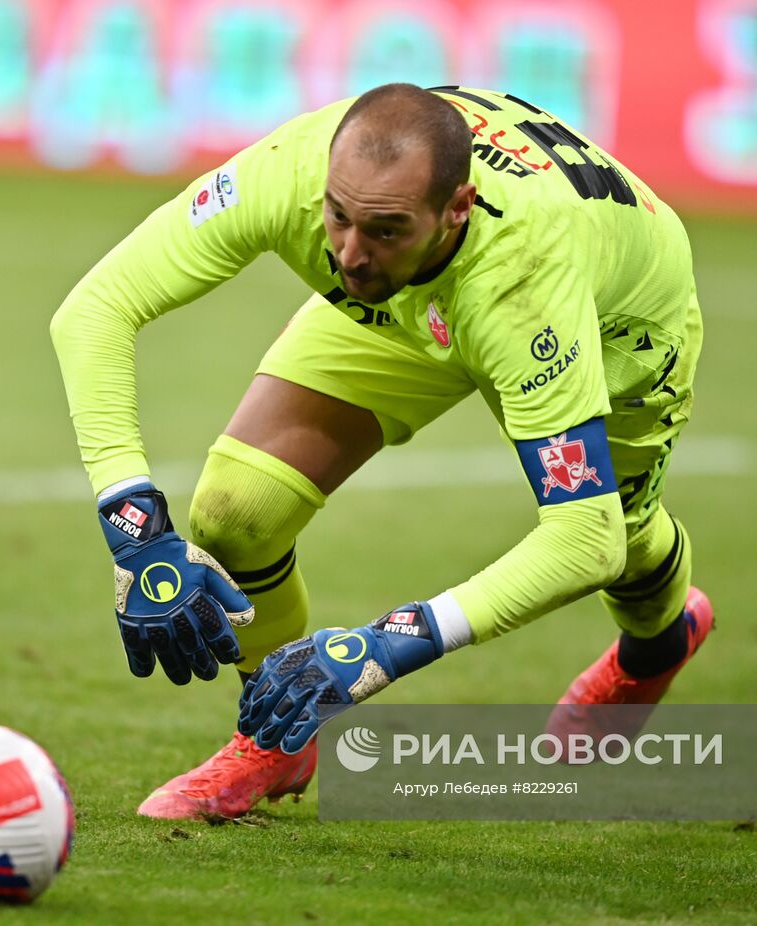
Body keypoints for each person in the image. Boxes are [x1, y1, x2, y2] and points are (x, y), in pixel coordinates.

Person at [51, 83, 712, 820]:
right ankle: (275, 741)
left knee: (622, 532)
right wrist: (131, 524)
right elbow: (95, 308)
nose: (350, 255)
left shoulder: (523, 279)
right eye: (338, 219)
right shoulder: (296, 171)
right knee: (235, 511)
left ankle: (658, 647)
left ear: (455, 208)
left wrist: (386, 645)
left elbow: (583, 541)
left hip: (609, 322)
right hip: (405, 305)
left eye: (385, 229)